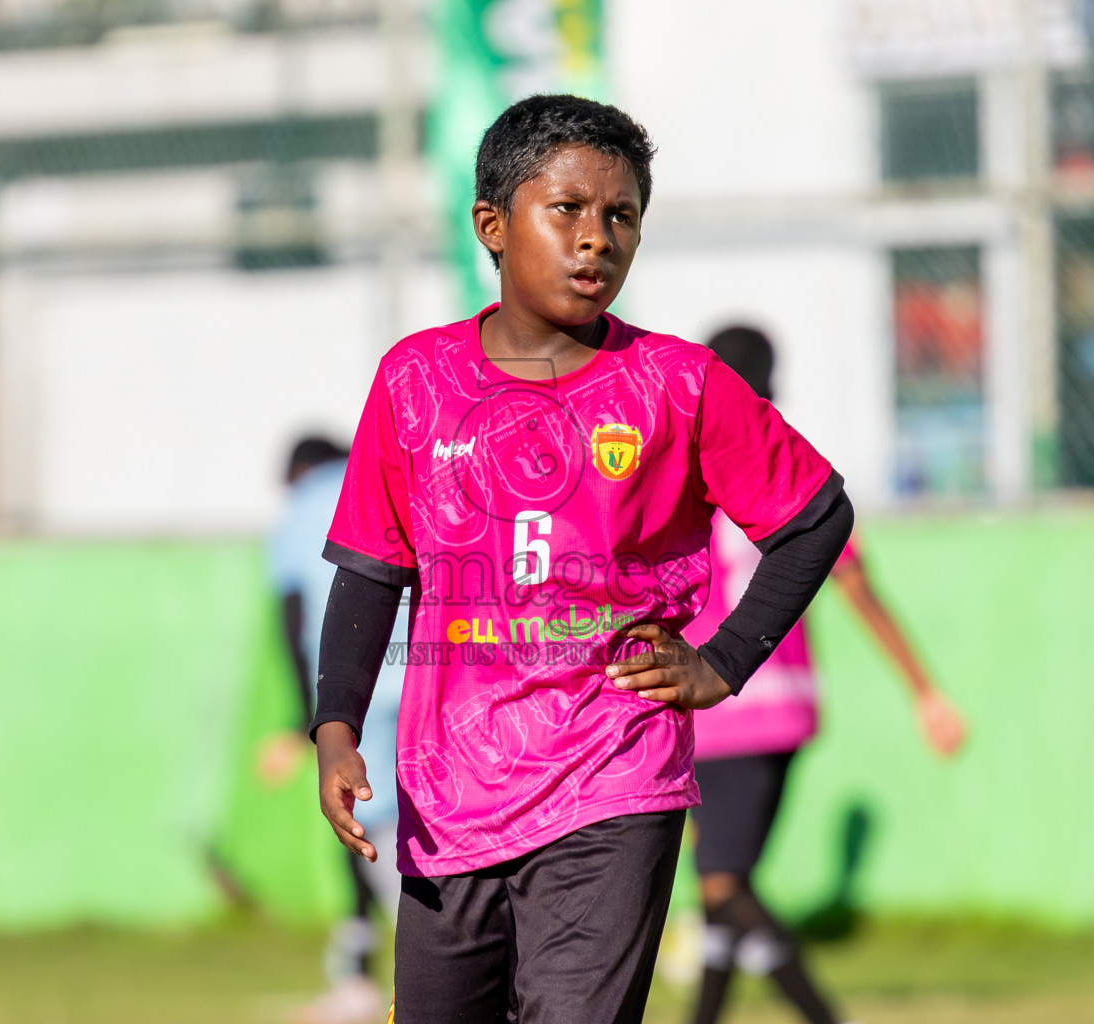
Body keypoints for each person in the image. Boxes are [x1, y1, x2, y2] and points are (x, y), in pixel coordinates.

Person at [310, 94, 853, 1024]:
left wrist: (722, 663)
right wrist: (334, 731)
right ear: (493, 223)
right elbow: (370, 567)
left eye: (621, 215)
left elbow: (815, 515)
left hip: (615, 776)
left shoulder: (678, 385)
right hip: (450, 797)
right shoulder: (415, 381)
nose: (596, 238)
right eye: (567, 210)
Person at [680, 326, 969, 1024]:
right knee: (724, 889)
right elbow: (859, 587)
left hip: (713, 710)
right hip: (778, 710)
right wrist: (923, 690)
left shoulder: (690, 464)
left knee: (722, 885)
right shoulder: (787, 465)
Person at [260, 436, 408, 1024]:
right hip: (425, 671)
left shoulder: (298, 512)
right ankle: (360, 971)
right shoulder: (383, 482)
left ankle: (426, 965)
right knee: (408, 822)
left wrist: (311, 722)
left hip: (355, 689)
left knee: (370, 829)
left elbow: (293, 617)